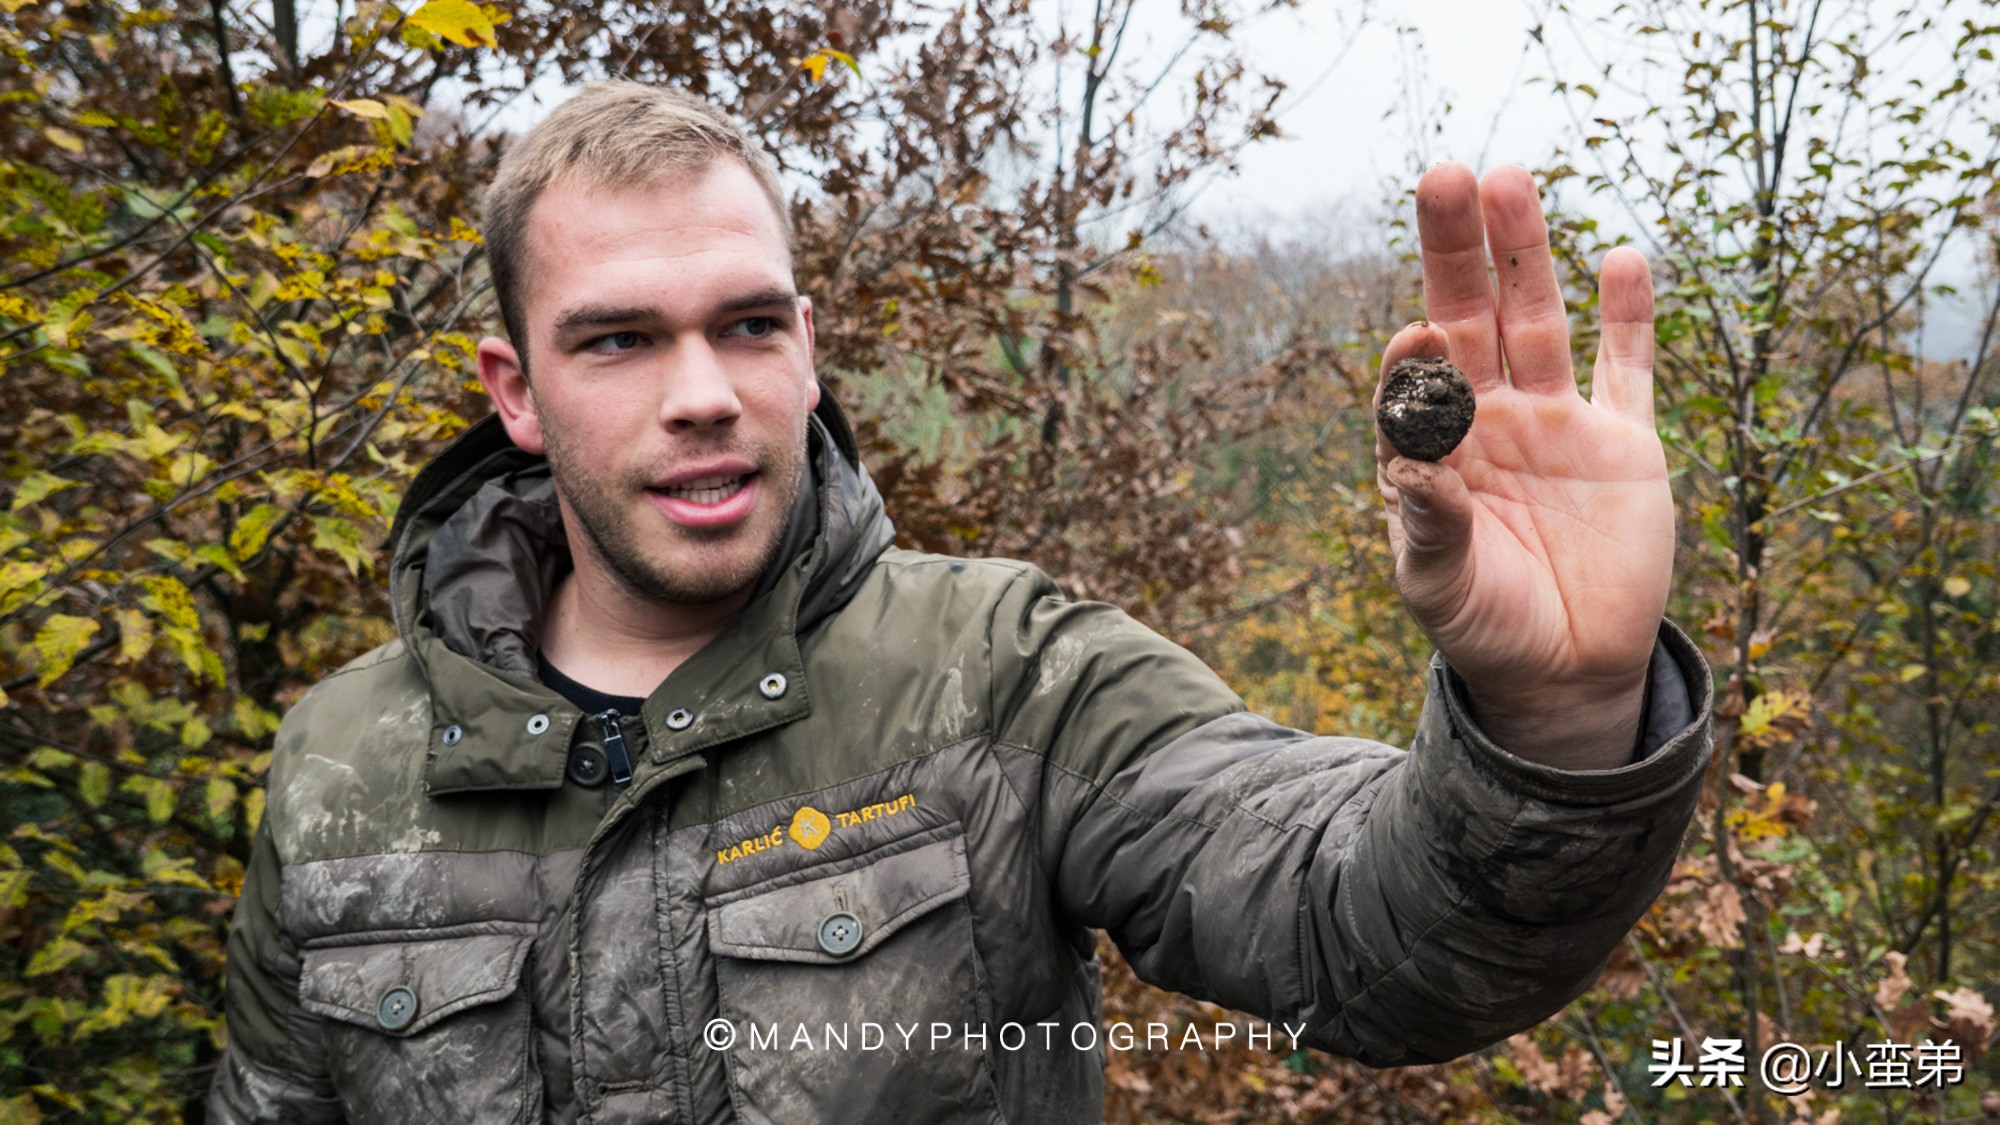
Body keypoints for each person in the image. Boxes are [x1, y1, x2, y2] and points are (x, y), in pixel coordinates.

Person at [209, 81, 1711, 1123]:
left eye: (744, 325)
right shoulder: (345, 764)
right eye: (614, 341)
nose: (702, 396)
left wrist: (1559, 717)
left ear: (804, 345)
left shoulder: (1002, 677)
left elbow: (1369, 935)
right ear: (515, 391)